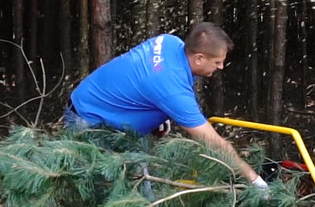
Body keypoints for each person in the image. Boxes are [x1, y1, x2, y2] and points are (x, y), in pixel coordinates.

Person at [66, 22, 268, 189]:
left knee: (139, 191)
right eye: (217, 62)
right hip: (90, 120)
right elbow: (214, 142)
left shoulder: (169, 42)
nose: (221, 67)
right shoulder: (172, 89)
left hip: (104, 108)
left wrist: (157, 115)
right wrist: (254, 179)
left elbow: (140, 75)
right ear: (199, 58)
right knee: (100, 195)